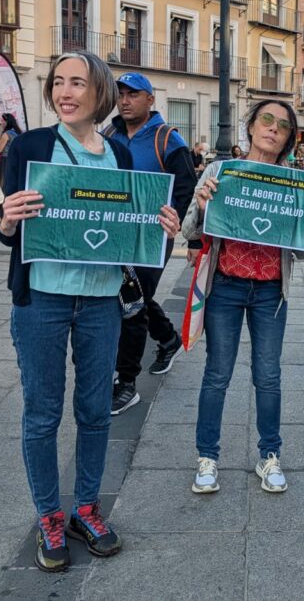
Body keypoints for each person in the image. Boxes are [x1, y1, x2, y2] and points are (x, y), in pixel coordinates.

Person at [0, 51, 181, 572]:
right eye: (58, 82)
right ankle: (49, 515)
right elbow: (10, 231)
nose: (65, 92)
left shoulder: (119, 155)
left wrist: (158, 226)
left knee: (95, 410)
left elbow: (129, 230)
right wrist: (7, 221)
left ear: (98, 92)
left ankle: (85, 508)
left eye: (77, 82)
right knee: (43, 411)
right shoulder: (32, 146)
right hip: (43, 299)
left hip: (101, 299)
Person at [182, 100, 304, 495]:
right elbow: (189, 233)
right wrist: (201, 207)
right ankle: (207, 457)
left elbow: (302, 251)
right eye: (266, 120)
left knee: (268, 376)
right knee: (218, 373)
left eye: (282, 126)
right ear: (250, 127)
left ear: (288, 139)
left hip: (269, 291)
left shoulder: (295, 183)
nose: (272, 128)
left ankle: (269, 456)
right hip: (225, 287)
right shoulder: (218, 171)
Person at [105, 72, 199, 414]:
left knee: (130, 304)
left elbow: (187, 186)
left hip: (150, 238)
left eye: (134, 94)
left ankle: (126, 382)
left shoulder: (167, 139)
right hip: (116, 234)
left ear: (150, 100)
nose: (125, 100)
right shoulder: (109, 133)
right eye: (122, 94)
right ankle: (169, 339)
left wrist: (173, 221)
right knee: (135, 298)